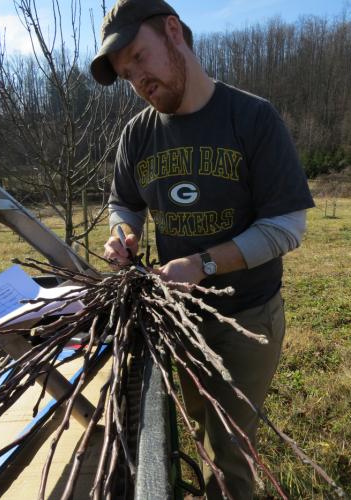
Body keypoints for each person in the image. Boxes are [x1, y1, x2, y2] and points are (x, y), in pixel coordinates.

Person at [91, 1, 314, 498]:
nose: (138, 81)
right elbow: (122, 201)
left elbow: (286, 226)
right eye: (127, 75)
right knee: (192, 419)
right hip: (177, 317)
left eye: (140, 59)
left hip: (246, 316)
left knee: (233, 447)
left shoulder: (252, 118)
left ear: (174, 32)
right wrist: (123, 233)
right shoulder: (137, 135)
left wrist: (205, 262)